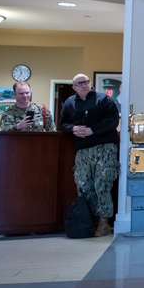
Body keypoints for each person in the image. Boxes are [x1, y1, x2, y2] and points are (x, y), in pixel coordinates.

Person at [60, 73, 120, 237]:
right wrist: (73, 129)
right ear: (74, 87)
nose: (84, 85)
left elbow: (113, 120)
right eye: (80, 83)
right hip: (83, 151)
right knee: (84, 186)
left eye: (86, 82)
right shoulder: (70, 103)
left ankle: (104, 222)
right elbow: (63, 123)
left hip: (104, 148)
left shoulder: (103, 100)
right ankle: (90, 220)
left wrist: (91, 130)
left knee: (102, 185)